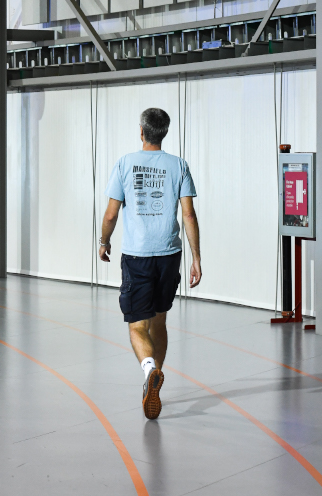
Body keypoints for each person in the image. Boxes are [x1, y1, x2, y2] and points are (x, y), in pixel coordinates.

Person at [98, 108, 201, 420]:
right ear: (163, 133)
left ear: (141, 132)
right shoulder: (178, 165)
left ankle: (149, 371)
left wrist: (104, 242)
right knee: (159, 322)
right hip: (169, 255)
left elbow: (112, 214)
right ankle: (154, 380)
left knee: (137, 325)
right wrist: (197, 258)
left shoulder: (125, 163)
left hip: (138, 256)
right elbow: (188, 215)